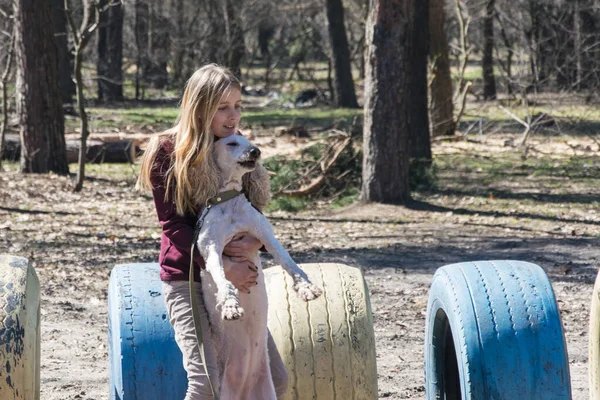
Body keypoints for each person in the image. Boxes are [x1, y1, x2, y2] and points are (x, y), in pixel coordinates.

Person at [137, 64, 288, 400]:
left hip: (238, 280)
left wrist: (254, 242)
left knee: (275, 380)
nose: (233, 115)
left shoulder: (238, 146)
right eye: (222, 107)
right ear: (199, 106)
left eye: (237, 105)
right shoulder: (166, 151)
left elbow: (252, 209)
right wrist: (222, 267)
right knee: (206, 385)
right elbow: (173, 224)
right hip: (187, 279)